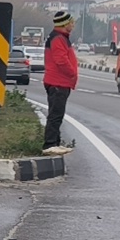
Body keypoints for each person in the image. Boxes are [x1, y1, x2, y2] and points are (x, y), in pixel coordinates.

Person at [42, 11, 79, 155]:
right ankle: (50, 144)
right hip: (58, 81)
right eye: (71, 22)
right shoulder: (58, 39)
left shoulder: (61, 37)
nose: (73, 25)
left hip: (60, 82)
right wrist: (72, 73)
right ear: (64, 24)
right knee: (55, 114)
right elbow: (61, 60)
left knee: (57, 113)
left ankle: (55, 143)